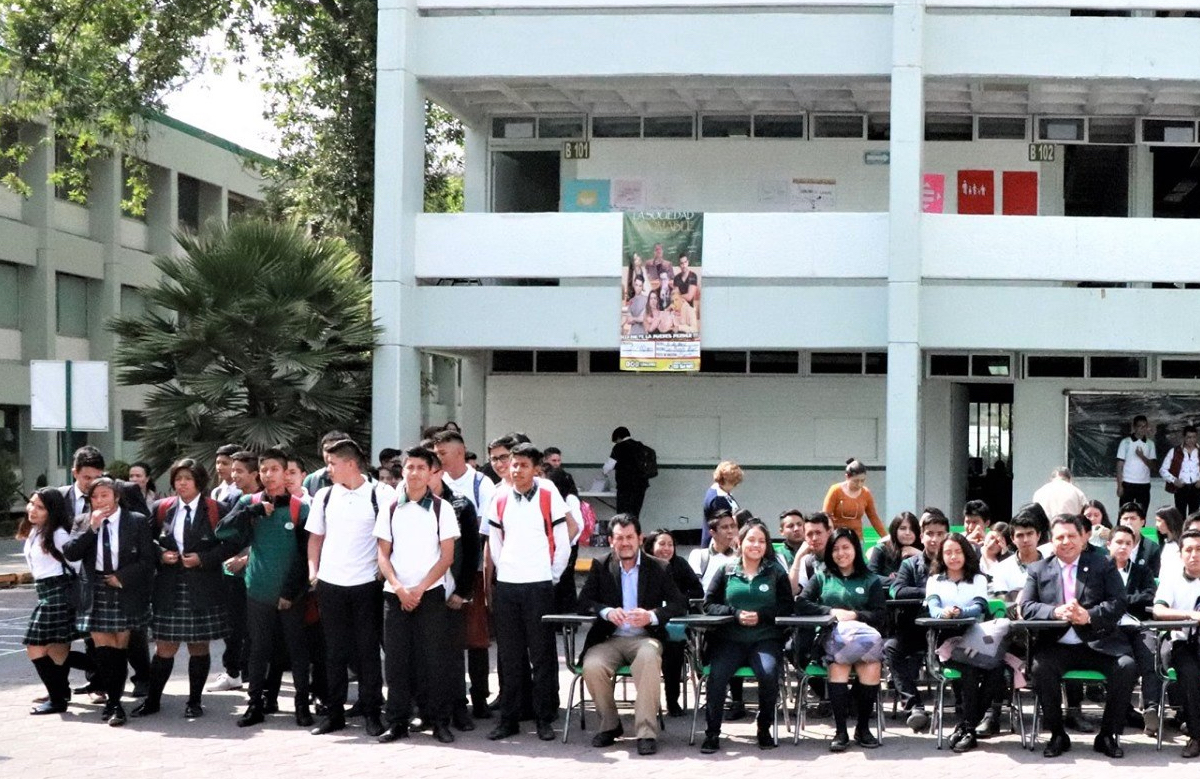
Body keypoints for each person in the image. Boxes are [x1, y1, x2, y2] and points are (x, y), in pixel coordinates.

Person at [1020, 514, 1136, 759]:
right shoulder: (1038, 569)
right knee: (1040, 669)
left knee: (1126, 667)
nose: (1066, 542)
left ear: (1083, 538)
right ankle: (1057, 734)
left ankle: (1107, 735)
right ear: (1051, 541)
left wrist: (1088, 616)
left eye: (1071, 536)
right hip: (1057, 644)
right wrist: (1054, 612)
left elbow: (1118, 602)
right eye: (1060, 537)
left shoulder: (1103, 564)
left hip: (1098, 643)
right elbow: (1027, 607)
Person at [215, 447, 314, 729]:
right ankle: (254, 705)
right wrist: (251, 511)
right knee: (258, 650)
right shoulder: (250, 501)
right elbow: (222, 530)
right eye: (264, 470)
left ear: (285, 473)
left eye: (275, 469)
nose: (269, 475)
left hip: (290, 594)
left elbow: (305, 556)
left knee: (297, 651)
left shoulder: (300, 508)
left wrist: (290, 593)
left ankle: (302, 706)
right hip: (257, 590)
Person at [134, 460, 234, 721]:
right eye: (178, 479)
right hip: (169, 586)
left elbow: (231, 543)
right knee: (164, 647)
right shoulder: (162, 508)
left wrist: (204, 559)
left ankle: (195, 701)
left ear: (199, 481)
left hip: (203, 586)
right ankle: (152, 700)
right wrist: (160, 554)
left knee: (198, 646)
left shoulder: (216, 509)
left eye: (188, 478)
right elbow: (145, 540)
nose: (182, 483)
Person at [307, 438, 394, 738]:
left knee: (368, 651)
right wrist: (314, 572)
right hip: (330, 584)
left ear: (351, 464)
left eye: (332, 463)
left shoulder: (381, 494)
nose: (328, 469)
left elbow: (389, 538)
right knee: (334, 652)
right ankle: (334, 715)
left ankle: (372, 713)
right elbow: (315, 538)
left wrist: (383, 572)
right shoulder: (324, 496)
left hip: (367, 584)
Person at [484, 442, 571, 742]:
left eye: (523, 465)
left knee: (542, 654)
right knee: (509, 656)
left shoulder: (548, 494)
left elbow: (562, 540)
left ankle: (544, 718)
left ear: (536, 469)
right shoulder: (499, 497)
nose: (516, 470)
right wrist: (505, 570)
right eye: (514, 464)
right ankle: (509, 719)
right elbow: (495, 541)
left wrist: (552, 575)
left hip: (539, 585)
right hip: (508, 586)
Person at [579, 515, 686, 756]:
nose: (625, 543)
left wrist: (652, 615)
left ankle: (646, 732)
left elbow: (679, 604)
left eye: (630, 537)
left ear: (640, 538)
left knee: (648, 659)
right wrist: (606, 612)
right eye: (619, 538)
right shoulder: (601, 565)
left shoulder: (659, 567)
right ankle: (610, 725)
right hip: (611, 638)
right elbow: (584, 601)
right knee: (592, 665)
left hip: (645, 637)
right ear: (610, 540)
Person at [375, 446, 460, 745]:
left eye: (421, 468)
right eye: (409, 467)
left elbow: (447, 556)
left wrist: (420, 588)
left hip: (430, 594)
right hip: (395, 596)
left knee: (434, 660)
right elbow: (383, 555)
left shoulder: (441, 508)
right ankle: (397, 722)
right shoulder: (390, 508)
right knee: (396, 662)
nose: (414, 473)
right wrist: (399, 588)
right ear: (403, 471)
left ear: (431, 472)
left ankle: (438, 721)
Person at [63, 477, 156, 727]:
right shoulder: (83, 520)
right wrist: (91, 528)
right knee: (104, 651)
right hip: (95, 589)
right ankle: (114, 704)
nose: (99, 501)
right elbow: (71, 552)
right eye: (94, 497)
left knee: (119, 647)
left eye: (105, 495)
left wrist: (122, 577)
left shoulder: (135, 520)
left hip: (123, 589)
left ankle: (115, 700)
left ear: (116, 497)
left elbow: (148, 560)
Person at [699, 521, 793, 753]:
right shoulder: (726, 570)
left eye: (761, 541)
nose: (756, 545)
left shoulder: (776, 572)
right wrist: (735, 613)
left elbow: (787, 606)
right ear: (739, 542)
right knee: (717, 677)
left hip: (765, 639)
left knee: (769, 674)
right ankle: (712, 733)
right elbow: (708, 604)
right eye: (751, 540)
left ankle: (764, 728)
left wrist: (762, 615)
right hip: (729, 639)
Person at [794, 528, 886, 752]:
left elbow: (880, 615)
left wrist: (855, 615)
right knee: (839, 665)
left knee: (872, 667)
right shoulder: (822, 576)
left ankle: (863, 729)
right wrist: (830, 611)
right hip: (831, 639)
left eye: (846, 547)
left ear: (856, 549)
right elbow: (802, 603)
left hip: (863, 642)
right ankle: (841, 731)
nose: (841, 553)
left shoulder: (870, 580)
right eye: (835, 549)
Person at [433, 429, 495, 718]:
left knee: (477, 639)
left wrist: (469, 578)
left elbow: (483, 530)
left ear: (460, 452)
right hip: (440, 572)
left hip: (473, 571)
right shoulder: (436, 481)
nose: (439, 458)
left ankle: (480, 698)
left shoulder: (481, 483)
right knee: (448, 640)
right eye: (436, 453)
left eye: (443, 453)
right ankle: (450, 698)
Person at [924, 533, 1003, 753]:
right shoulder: (934, 580)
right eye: (948, 552)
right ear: (941, 556)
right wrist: (943, 613)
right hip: (946, 640)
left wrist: (960, 612)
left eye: (958, 552)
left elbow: (978, 607)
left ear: (966, 553)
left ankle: (966, 726)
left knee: (997, 668)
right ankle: (969, 729)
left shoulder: (978, 579)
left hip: (975, 637)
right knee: (969, 668)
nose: (953, 557)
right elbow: (933, 608)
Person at [427, 450, 482, 733]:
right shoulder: (406, 503)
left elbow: (472, 552)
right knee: (425, 653)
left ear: (438, 472)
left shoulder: (460, 504)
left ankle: (459, 708)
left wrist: (463, 591)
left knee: (452, 654)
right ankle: (427, 710)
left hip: (451, 590)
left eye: (425, 469)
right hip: (421, 590)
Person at [19, 488, 82, 714]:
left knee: (35, 646)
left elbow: (77, 565)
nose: (32, 510)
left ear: (52, 511)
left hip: (58, 592)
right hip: (45, 591)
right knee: (57, 649)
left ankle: (57, 699)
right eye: (31, 503)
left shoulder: (58, 534)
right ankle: (62, 692)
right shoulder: (36, 530)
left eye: (40, 507)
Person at [887, 508, 950, 731]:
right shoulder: (910, 565)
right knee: (891, 649)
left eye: (940, 534)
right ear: (921, 537)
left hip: (950, 630)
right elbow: (897, 591)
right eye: (930, 534)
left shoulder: (956, 561)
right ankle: (914, 706)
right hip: (915, 629)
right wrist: (932, 593)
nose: (935, 539)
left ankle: (964, 704)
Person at [208, 449, 261, 694]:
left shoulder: (267, 499)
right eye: (233, 470)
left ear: (254, 473)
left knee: (256, 628)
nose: (234, 475)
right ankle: (233, 673)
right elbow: (224, 531)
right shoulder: (236, 499)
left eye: (239, 471)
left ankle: (252, 675)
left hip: (259, 573)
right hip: (232, 574)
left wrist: (246, 558)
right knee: (232, 626)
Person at [1106, 524, 1161, 737]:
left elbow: (1149, 596)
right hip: (1109, 628)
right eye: (1119, 542)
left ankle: (1151, 709)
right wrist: (1124, 602)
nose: (1123, 547)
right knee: (1123, 664)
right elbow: (1096, 598)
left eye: (1128, 543)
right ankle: (1122, 711)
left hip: (1137, 625)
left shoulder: (1141, 571)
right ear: (1109, 544)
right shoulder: (1099, 569)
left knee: (1150, 654)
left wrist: (1120, 601)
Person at [1151, 529, 1200, 759]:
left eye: (1199, 549)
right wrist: (1189, 615)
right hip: (1183, 642)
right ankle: (1197, 736)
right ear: (1180, 554)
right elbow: (1158, 610)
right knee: (1190, 674)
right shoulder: (1172, 579)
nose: (1194, 554)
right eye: (1188, 550)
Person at [644, 528, 703, 717]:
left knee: (674, 649)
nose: (667, 549)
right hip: (645, 624)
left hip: (673, 623)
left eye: (670, 545)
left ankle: (672, 700)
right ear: (651, 546)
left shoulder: (680, 565)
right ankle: (648, 703)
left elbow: (697, 591)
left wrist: (679, 600)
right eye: (662, 544)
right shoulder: (643, 565)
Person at [823, 458, 886, 538]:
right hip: (837, 537)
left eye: (862, 481)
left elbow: (874, 518)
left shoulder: (866, 493)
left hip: (857, 538)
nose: (859, 484)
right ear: (847, 477)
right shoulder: (835, 490)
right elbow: (826, 515)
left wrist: (886, 538)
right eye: (855, 481)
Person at [990, 512, 1045, 597]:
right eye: (1020, 535)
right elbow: (1002, 602)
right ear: (1012, 539)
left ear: (1038, 535)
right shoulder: (1001, 570)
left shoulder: (1053, 565)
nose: (1025, 540)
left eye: (1030, 534)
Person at [604, 426, 650, 517]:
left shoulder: (619, 447)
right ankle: (634, 526)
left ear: (618, 437)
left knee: (622, 514)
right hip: (641, 485)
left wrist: (604, 472)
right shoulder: (640, 446)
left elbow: (609, 466)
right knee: (635, 513)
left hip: (625, 485)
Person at [688, 509, 739, 592]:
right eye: (725, 527)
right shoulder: (699, 556)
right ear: (713, 533)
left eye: (733, 526)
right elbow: (695, 587)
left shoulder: (740, 558)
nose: (730, 531)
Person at [868, 511, 922, 584]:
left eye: (912, 529)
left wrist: (919, 554)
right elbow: (870, 577)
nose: (908, 533)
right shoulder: (882, 549)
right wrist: (899, 581)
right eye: (903, 528)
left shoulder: (922, 548)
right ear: (895, 530)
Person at [1116, 415, 1156, 512]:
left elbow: (1152, 466)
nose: (1143, 429)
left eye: (1145, 426)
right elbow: (1119, 465)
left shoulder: (1150, 444)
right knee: (1124, 513)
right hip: (1128, 483)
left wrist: (1142, 456)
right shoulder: (1125, 442)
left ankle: (1142, 524)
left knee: (1142, 514)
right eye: (1140, 426)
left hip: (1144, 484)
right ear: (1134, 427)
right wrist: (1119, 485)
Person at [789, 511, 833, 594]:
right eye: (809, 534)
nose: (814, 538)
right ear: (804, 537)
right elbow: (792, 591)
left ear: (829, 533)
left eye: (818, 533)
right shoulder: (806, 561)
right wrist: (798, 558)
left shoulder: (840, 557)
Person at [701, 460, 742, 547]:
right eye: (733, 482)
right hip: (717, 545)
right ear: (725, 480)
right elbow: (723, 525)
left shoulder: (725, 494)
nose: (735, 485)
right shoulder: (717, 499)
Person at [1162, 426, 1200, 516]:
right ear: (1184, 437)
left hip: (1196, 487)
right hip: (1181, 487)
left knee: (1194, 517)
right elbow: (1163, 470)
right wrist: (1174, 480)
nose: (1191, 440)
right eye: (1189, 437)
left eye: (1194, 437)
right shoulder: (1175, 451)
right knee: (1180, 515)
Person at [1116, 502, 1161, 575]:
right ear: (1120, 522)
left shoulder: (1152, 548)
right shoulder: (1112, 546)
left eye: (1133, 518)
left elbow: (1154, 576)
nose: (1128, 522)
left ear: (1142, 522)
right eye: (1125, 519)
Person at [302, 430, 350, 497]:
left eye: (334, 449)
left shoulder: (359, 482)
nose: (330, 453)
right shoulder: (313, 481)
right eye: (326, 449)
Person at [1156, 505, 1186, 581]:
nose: (1157, 525)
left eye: (1159, 521)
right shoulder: (1165, 543)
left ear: (1169, 521)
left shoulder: (1181, 545)